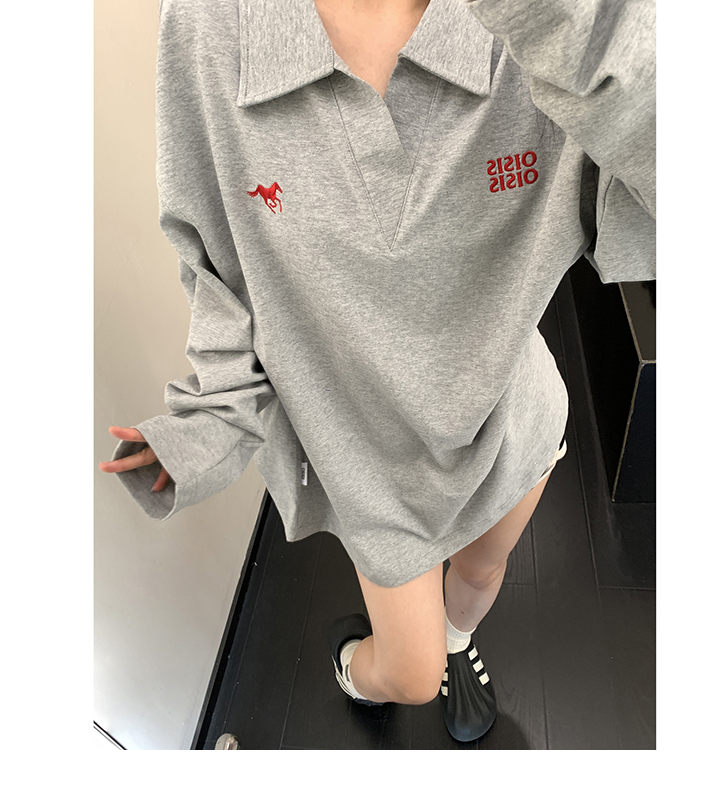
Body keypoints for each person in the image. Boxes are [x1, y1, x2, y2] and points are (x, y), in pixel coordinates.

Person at [98, 0, 655, 743]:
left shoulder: (557, 25)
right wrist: (214, 415)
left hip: (508, 418)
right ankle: (350, 671)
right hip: (368, 463)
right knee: (410, 675)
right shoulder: (210, 27)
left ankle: (459, 641)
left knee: (481, 578)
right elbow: (217, 262)